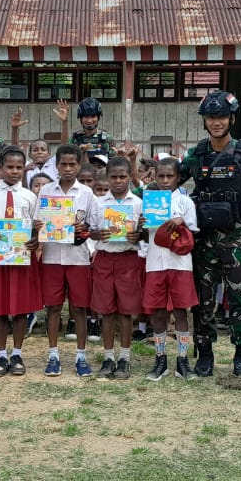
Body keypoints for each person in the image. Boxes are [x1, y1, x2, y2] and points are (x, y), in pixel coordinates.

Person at [178, 89, 241, 377]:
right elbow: (171, 178)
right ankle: (205, 353)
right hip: (205, 238)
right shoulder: (197, 154)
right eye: (211, 117)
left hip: (238, 236)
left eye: (222, 116)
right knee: (204, 299)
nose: (216, 122)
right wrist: (134, 193)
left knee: (239, 296)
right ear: (205, 121)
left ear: (232, 118)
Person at [0, 147, 41, 376]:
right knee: (0, 307)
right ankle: (1, 355)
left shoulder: (30, 196)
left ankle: (17, 353)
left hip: (22, 253)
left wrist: (35, 240)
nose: (14, 171)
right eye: (10, 167)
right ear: (0, 169)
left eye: (19, 167)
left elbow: (36, 226)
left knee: (21, 307)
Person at [36, 144, 97, 377]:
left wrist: (84, 229)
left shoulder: (86, 193)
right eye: (64, 164)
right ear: (57, 165)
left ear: (79, 165)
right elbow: (38, 221)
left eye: (73, 164)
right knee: (52, 308)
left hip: (78, 257)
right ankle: (53, 355)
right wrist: (39, 229)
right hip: (52, 255)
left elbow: (92, 225)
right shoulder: (46, 191)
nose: (68, 168)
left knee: (79, 308)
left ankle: (81, 356)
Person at [143, 156, 199, 380]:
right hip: (155, 262)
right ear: (154, 177)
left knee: (180, 310)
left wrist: (181, 222)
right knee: (157, 311)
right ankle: (160, 358)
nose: (165, 181)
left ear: (178, 178)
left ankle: (183, 359)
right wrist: (140, 224)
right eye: (161, 176)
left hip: (179, 263)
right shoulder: (149, 200)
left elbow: (194, 230)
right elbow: (144, 234)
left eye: (170, 176)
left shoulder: (185, 202)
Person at [88, 156, 144, 378]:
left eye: (123, 176)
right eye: (114, 177)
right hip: (104, 257)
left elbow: (145, 233)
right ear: (107, 178)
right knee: (106, 309)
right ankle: (109, 356)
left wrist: (137, 235)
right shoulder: (99, 202)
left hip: (128, 258)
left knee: (126, 310)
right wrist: (97, 234)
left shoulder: (138, 203)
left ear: (130, 177)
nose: (118, 181)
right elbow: (89, 231)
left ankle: (125, 357)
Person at [54, 97, 115, 161]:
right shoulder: (75, 138)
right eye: (86, 117)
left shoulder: (108, 139)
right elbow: (64, 150)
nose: (89, 121)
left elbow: (113, 163)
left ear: (98, 118)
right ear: (80, 119)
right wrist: (64, 122)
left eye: (93, 116)